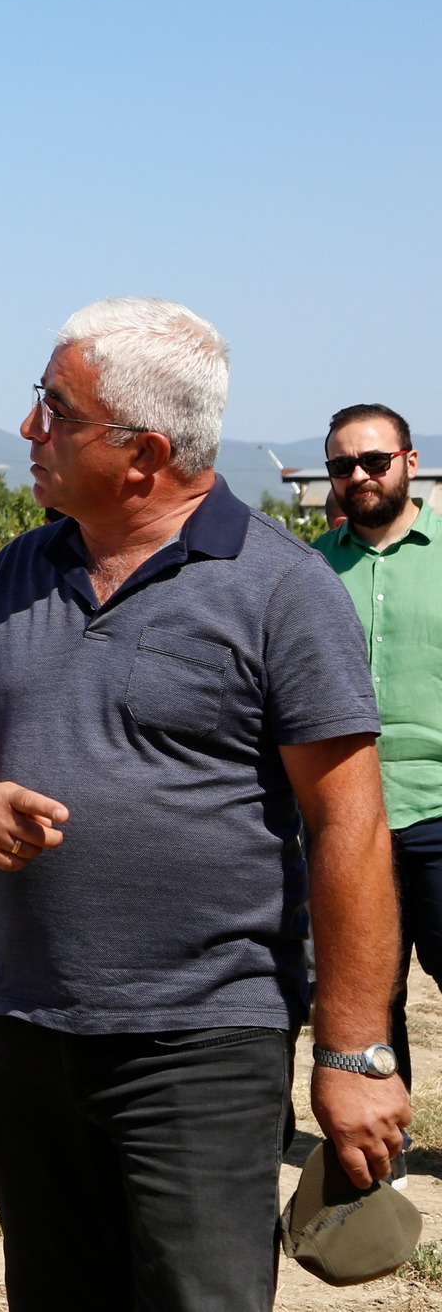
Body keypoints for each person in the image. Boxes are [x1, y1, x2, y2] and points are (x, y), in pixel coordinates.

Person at [0, 299, 408, 1312]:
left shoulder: (281, 589)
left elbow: (349, 824)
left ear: (145, 452)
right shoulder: (17, 569)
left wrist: (353, 1053)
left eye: (55, 408)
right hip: (30, 1026)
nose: (29, 427)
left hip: (202, 1044)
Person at [314, 404, 442, 1091]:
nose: (359, 475)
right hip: (345, 818)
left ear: (409, 463)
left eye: (374, 460)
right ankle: (381, 1145)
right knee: (367, 997)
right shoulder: (307, 573)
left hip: (439, 811)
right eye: (343, 465)